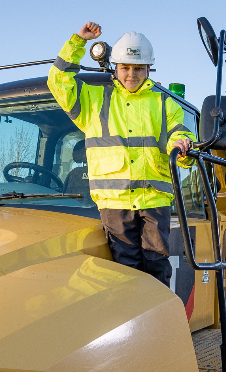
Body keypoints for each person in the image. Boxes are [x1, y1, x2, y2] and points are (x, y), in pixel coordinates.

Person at [48, 21, 195, 286]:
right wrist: (78, 41)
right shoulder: (93, 101)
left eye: (138, 68)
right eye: (125, 67)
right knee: (126, 271)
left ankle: (158, 324)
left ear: (148, 69)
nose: (131, 74)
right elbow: (58, 82)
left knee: (157, 266)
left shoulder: (165, 102)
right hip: (114, 203)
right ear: (115, 68)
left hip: (154, 200)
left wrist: (181, 145)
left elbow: (180, 134)